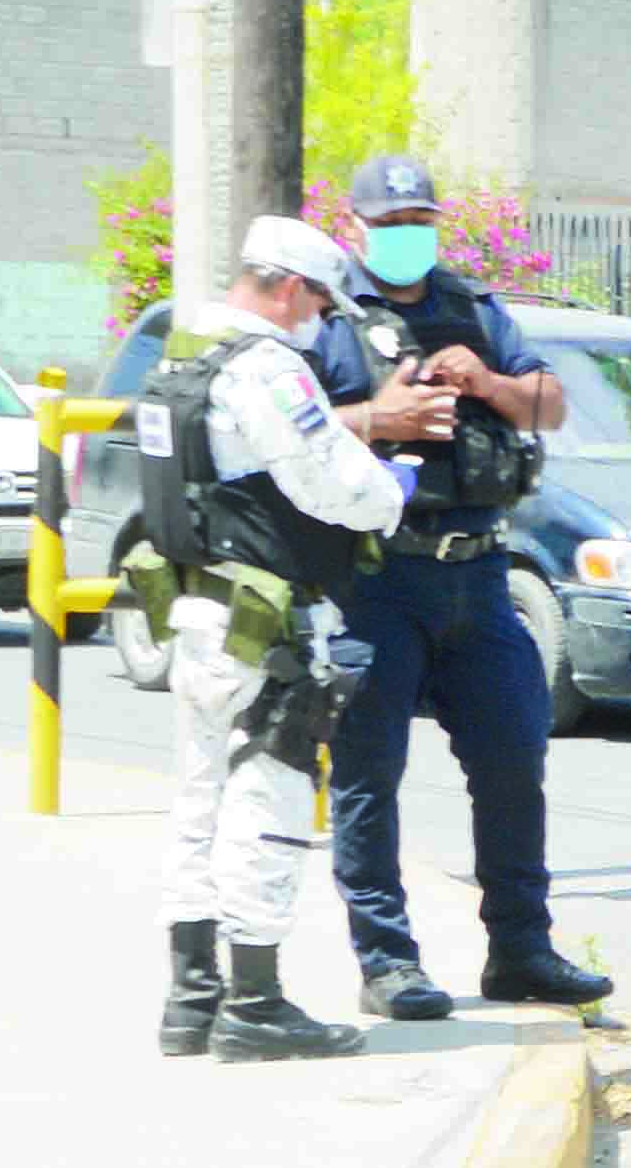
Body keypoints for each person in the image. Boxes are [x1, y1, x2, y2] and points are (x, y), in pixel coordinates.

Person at [122, 213, 423, 1064]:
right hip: (266, 619)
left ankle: (191, 998)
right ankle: (254, 1003)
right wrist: (391, 490)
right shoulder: (265, 368)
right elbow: (328, 480)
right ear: (291, 288)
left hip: (192, 609)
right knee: (272, 793)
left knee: (197, 796)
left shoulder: (180, 357)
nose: (323, 323)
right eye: (322, 304)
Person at [316, 151, 604, 1014]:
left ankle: (520, 951)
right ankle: (387, 963)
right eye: (391, 224)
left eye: (419, 223)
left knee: (513, 759)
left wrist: (487, 381)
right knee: (369, 774)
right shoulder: (331, 321)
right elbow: (284, 431)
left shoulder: (473, 308)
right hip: (379, 578)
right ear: (358, 227)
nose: (408, 237)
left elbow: (549, 404)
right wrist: (381, 418)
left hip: (478, 577)